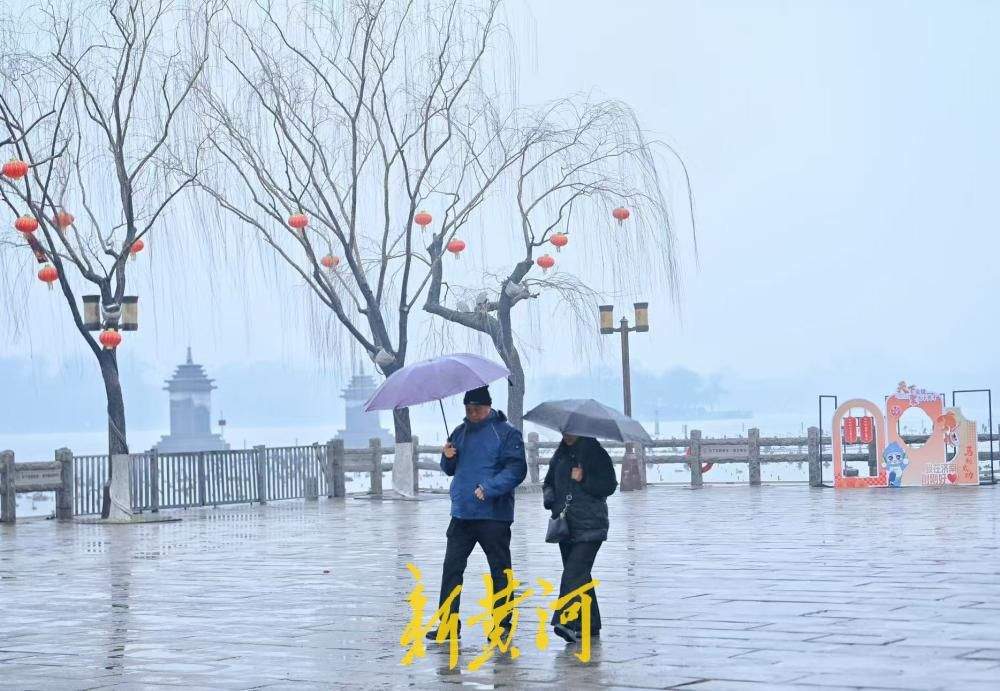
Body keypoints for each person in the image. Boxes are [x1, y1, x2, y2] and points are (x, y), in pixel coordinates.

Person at [427, 385, 527, 641]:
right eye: (468, 409)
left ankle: (503, 624)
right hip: (462, 514)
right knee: (451, 569)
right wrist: (447, 456)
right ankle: (448, 623)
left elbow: (516, 470)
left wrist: (490, 488)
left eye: (477, 409)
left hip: (494, 514)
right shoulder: (459, 432)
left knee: (499, 570)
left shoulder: (506, 433)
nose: (472, 414)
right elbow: (450, 468)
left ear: (488, 407)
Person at [542, 433, 618, 643]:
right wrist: (549, 497)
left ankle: (566, 620)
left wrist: (584, 478)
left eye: (571, 431)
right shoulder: (560, 455)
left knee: (573, 573)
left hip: (591, 525)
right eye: (564, 431)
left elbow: (609, 486)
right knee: (581, 576)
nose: (567, 435)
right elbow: (548, 482)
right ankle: (590, 624)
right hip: (565, 526)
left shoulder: (596, 453)